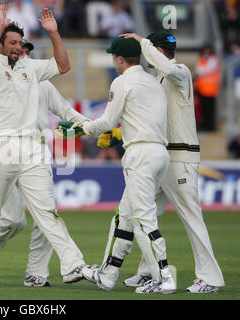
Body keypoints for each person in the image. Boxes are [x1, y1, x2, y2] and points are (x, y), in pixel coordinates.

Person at [0, 4, 87, 287]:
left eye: (20, 43)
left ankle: (73, 265)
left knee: (47, 211)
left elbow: (64, 66)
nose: (17, 47)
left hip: (32, 149)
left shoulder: (32, 67)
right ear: (2, 44)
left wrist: (53, 33)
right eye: (12, 42)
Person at [116, 31, 225, 293]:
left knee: (190, 216)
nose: (145, 58)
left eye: (149, 52)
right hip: (163, 157)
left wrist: (143, 42)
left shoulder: (180, 72)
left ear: (158, 51)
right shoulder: (159, 77)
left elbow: (165, 64)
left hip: (182, 157)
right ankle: (147, 272)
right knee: (146, 214)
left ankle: (210, 278)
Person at [74, 37, 176, 294]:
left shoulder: (122, 82)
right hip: (160, 153)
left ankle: (163, 278)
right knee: (125, 216)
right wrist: (120, 133)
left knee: (142, 220)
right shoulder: (154, 82)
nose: (113, 60)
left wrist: (83, 128)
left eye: (114, 57)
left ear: (119, 59)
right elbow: (142, 117)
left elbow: (107, 121)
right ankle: (108, 274)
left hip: (140, 154)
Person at [0, 39, 90, 287]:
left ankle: (36, 273)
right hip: (5, 151)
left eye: (28, 52)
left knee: (45, 215)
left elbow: (66, 112)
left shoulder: (44, 84)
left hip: (36, 151)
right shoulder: (0, 79)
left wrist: (93, 127)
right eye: (21, 52)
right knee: (12, 220)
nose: (24, 56)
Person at [194, 44, 221, 131]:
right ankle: (205, 125)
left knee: (210, 110)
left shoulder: (213, 59)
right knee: (204, 110)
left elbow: (203, 71)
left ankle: (210, 126)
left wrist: (202, 69)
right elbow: (198, 70)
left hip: (210, 89)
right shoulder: (202, 60)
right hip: (202, 88)